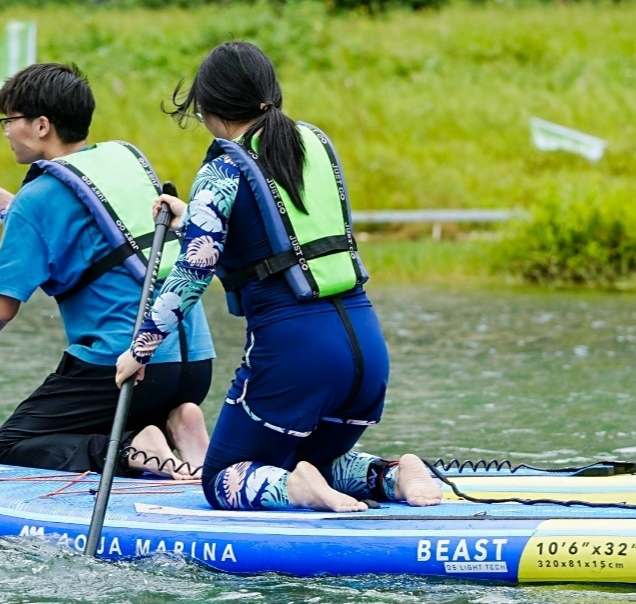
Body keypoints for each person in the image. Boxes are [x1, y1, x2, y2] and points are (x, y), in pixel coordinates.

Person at [115, 41, 442, 512]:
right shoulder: (313, 142)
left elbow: (192, 271)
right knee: (302, 455)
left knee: (222, 477)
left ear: (210, 109)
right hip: (365, 348)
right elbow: (284, 235)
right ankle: (391, 476)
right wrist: (193, 218)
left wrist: (141, 348)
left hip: (296, 353)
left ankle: (296, 490)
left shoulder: (222, 169)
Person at [0, 62, 215, 477]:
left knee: (10, 446)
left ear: (42, 125)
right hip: (193, 365)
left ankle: (133, 447)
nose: (8, 130)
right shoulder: (116, 163)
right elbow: (89, 236)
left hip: (126, 368)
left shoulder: (38, 198)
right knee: (106, 415)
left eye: (10, 120)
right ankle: (179, 424)